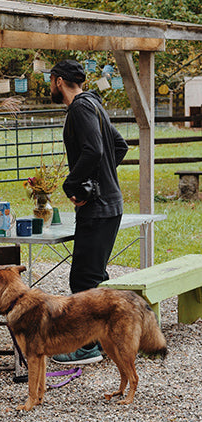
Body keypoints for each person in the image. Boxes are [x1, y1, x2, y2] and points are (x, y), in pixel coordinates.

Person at [48, 60, 129, 365]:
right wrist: (102, 178)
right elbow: (118, 147)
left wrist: (73, 183)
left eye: (51, 81)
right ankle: (108, 340)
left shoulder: (80, 109)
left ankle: (86, 348)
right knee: (96, 277)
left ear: (58, 81)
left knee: (83, 281)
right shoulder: (94, 104)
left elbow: (95, 151)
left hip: (97, 209)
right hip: (110, 204)